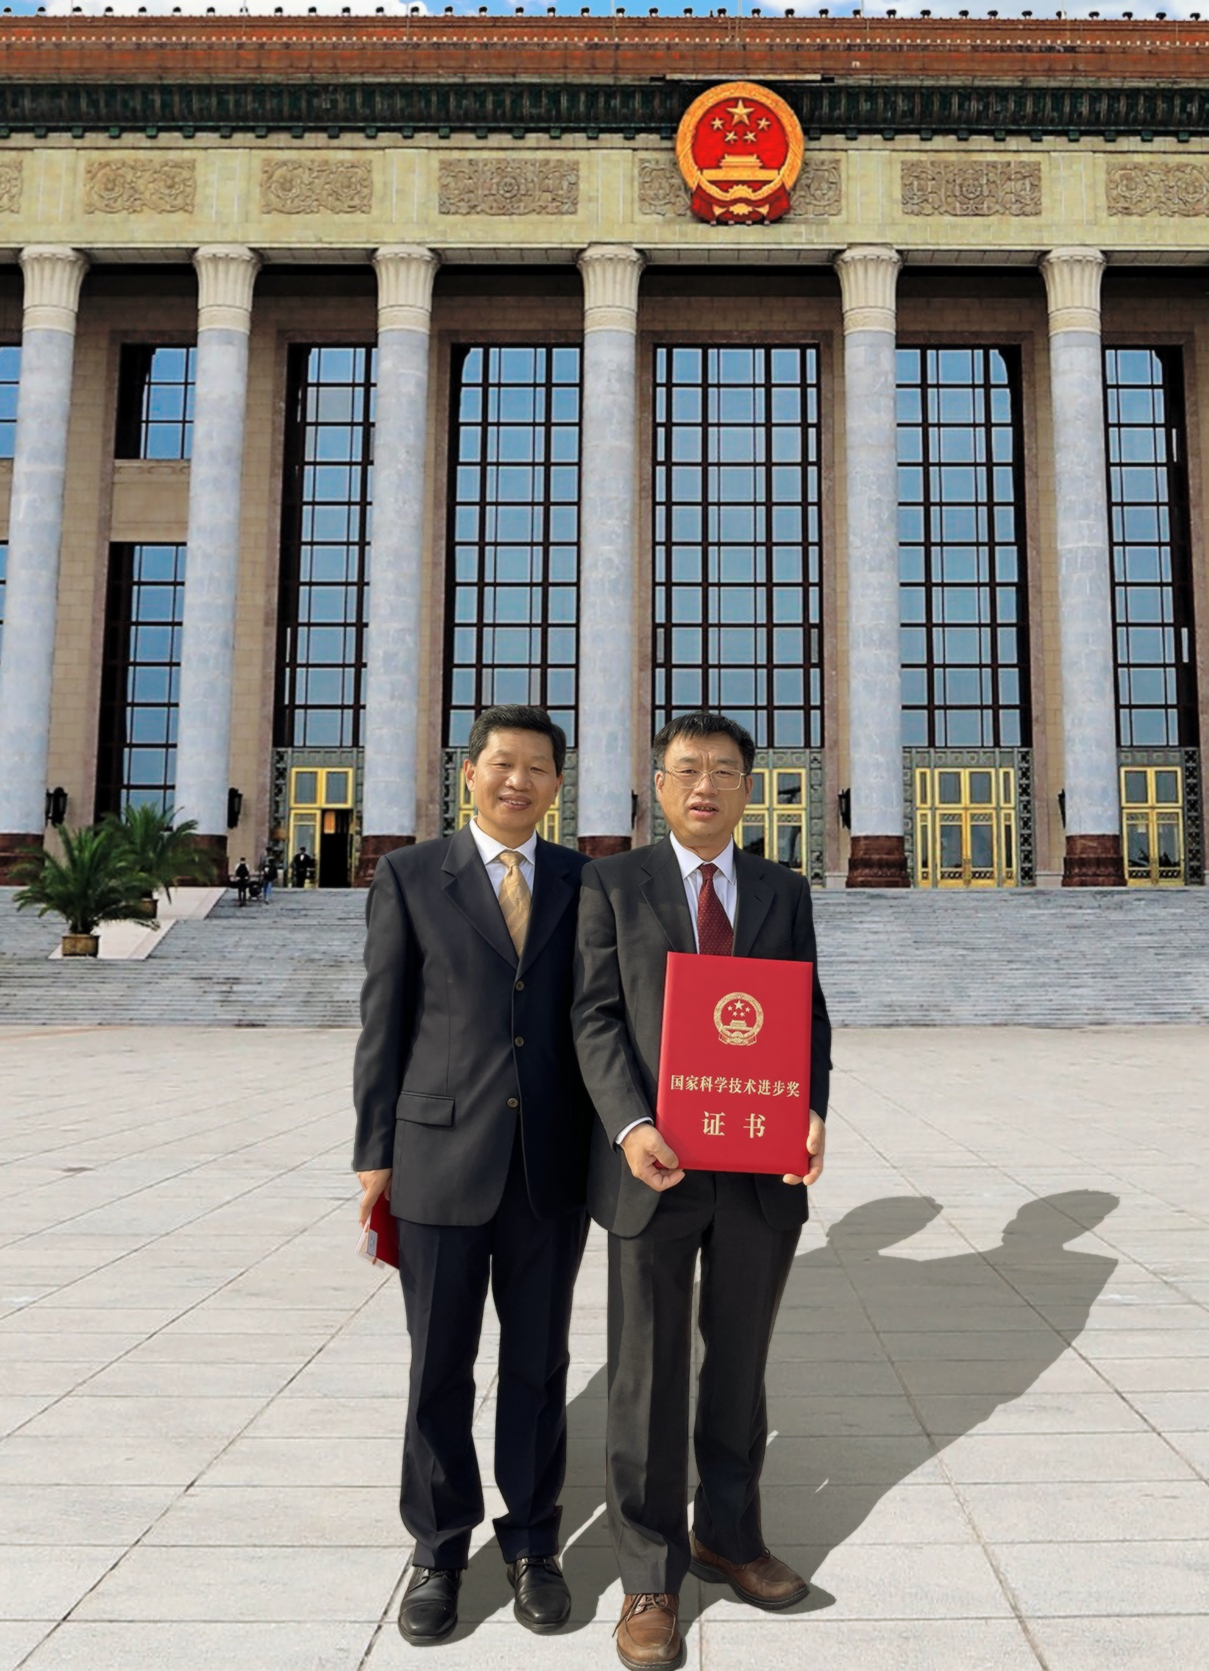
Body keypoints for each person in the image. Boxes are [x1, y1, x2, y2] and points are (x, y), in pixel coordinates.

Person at [572, 709, 832, 1671]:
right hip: (655, 1168)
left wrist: (811, 1107)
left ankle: (728, 1533)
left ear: (747, 789)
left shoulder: (781, 889)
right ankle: (649, 1575)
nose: (704, 786)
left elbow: (806, 1013)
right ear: (658, 784)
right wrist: (630, 1125)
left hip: (757, 1168)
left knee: (738, 1362)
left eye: (724, 771)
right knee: (645, 1370)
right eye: (687, 769)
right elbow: (594, 1017)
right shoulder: (613, 884)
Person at [352, 704, 593, 1646]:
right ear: (469, 773)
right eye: (501, 763)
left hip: (550, 1168)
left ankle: (533, 1541)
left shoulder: (583, 880)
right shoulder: (413, 875)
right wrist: (374, 1152)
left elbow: (601, 1018)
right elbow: (384, 1020)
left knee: (537, 1364)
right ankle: (438, 1548)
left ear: (557, 784)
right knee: (438, 1366)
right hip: (438, 1159)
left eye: (536, 767)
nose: (517, 780)